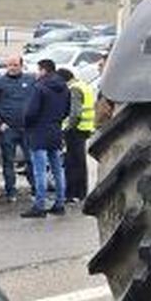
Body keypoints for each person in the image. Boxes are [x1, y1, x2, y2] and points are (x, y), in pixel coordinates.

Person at [21, 59, 70, 217]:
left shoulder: (40, 87)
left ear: (43, 70)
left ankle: (39, 206)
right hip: (55, 131)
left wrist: (27, 125)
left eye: (38, 69)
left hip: (38, 132)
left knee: (40, 171)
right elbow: (66, 111)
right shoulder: (64, 88)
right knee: (57, 169)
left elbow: (30, 112)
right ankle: (60, 203)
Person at [0, 54, 34, 202]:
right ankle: (11, 192)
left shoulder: (30, 80)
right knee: (8, 161)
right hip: (8, 129)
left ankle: (35, 190)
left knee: (31, 159)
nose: (12, 68)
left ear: (21, 66)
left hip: (27, 128)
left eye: (15, 65)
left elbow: (37, 101)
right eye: (9, 65)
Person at [60, 67, 94, 203]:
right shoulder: (83, 85)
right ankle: (81, 192)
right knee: (80, 162)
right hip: (84, 128)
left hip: (75, 130)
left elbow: (75, 113)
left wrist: (67, 128)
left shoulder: (73, 89)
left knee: (72, 163)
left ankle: (73, 193)